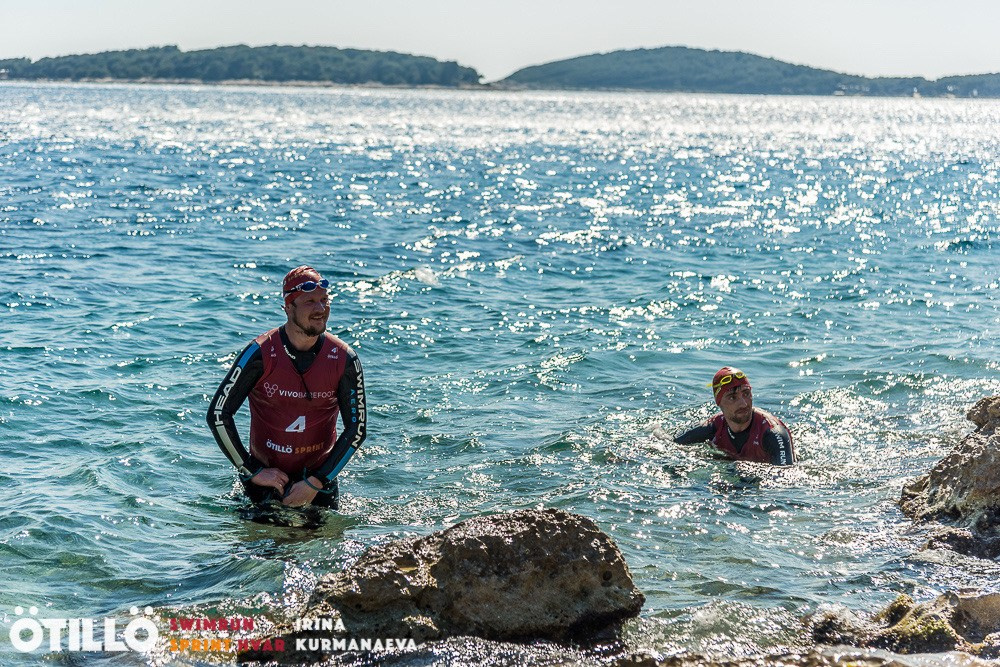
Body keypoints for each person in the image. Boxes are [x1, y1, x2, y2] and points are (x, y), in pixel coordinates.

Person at [207, 266, 367, 509]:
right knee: (261, 545)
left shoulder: (344, 359)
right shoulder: (260, 353)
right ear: (288, 306)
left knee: (323, 545)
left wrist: (316, 482)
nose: (320, 309)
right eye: (310, 302)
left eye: (324, 301)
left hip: (318, 479)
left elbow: (356, 428)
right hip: (265, 479)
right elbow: (218, 415)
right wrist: (251, 470)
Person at [674, 367, 794, 465]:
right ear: (719, 402)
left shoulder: (772, 433)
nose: (743, 403)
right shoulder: (714, 427)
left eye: (746, 393)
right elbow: (667, 442)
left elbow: (785, 478)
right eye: (732, 397)